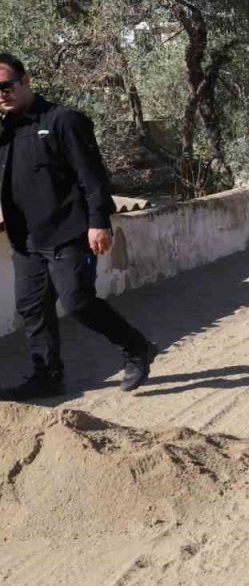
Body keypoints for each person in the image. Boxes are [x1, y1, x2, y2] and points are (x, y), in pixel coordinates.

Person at [0, 52, 156, 400]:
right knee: (32, 308)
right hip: (26, 241)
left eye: (6, 85)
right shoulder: (5, 132)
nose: (2, 94)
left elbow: (93, 177)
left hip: (69, 233)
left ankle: (137, 347)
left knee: (78, 301)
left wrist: (99, 222)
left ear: (25, 81)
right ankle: (47, 377)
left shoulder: (63, 120)